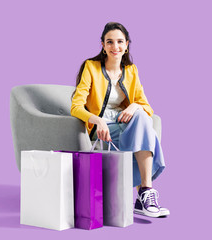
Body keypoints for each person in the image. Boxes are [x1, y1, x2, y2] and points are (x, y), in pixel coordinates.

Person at [71, 22, 169, 218]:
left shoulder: (131, 70)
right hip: (101, 125)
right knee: (148, 132)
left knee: (141, 116)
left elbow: (147, 106)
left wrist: (134, 106)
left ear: (127, 45)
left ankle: (145, 191)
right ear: (103, 45)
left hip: (123, 122)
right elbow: (76, 106)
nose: (115, 47)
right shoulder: (91, 67)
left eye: (119, 42)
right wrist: (97, 121)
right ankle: (144, 194)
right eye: (110, 42)